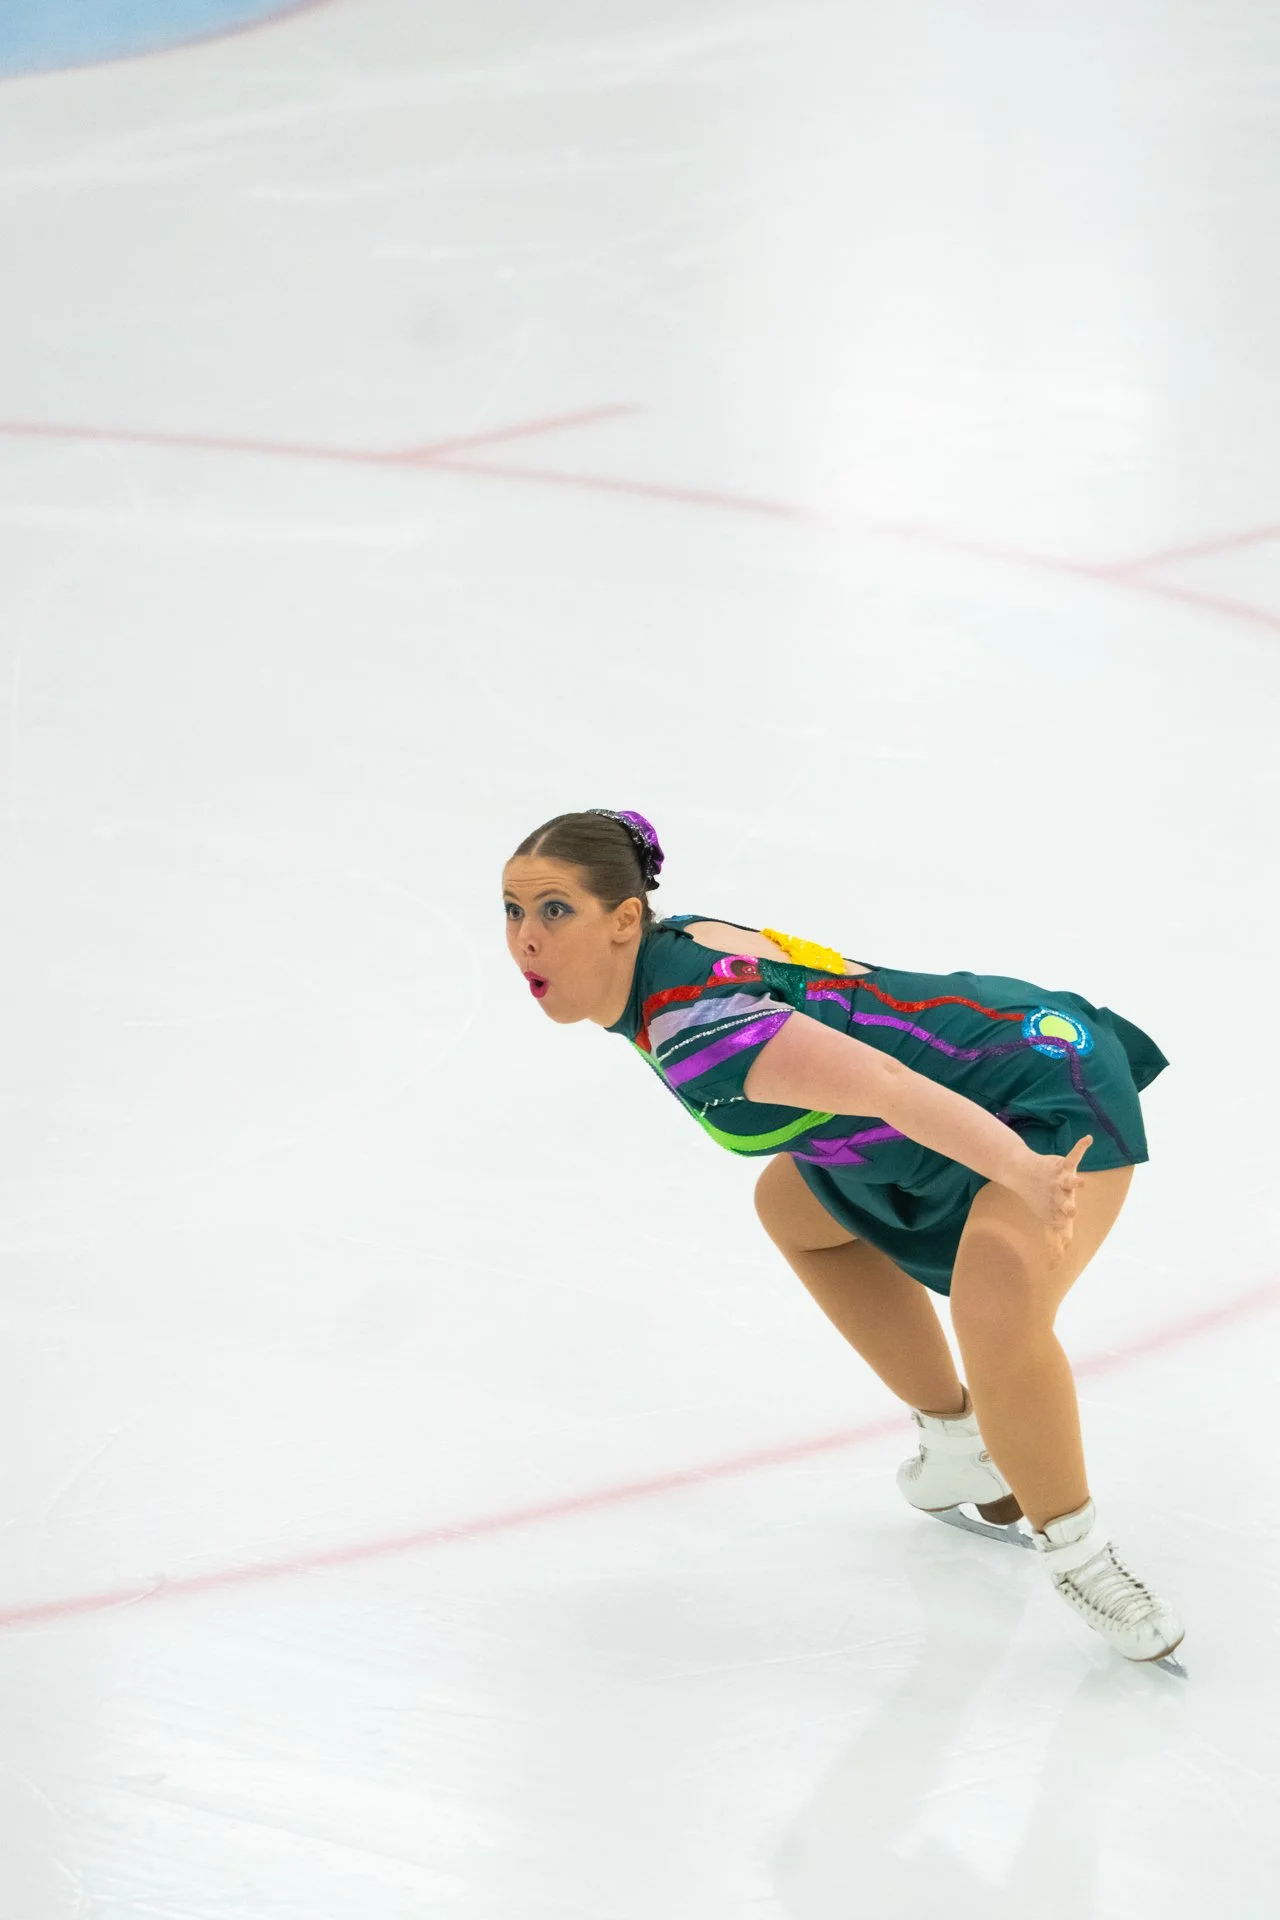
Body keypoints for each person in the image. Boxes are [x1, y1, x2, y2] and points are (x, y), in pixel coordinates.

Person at [502, 807, 1185, 1667]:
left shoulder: (703, 1033)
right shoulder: (673, 955)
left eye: (555, 909)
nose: (526, 939)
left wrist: (1021, 1168)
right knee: (796, 1211)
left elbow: (890, 1082)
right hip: (941, 1116)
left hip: (1034, 1090)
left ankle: (1082, 1556)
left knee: (997, 1302)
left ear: (624, 919)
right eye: (513, 911)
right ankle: (958, 1444)